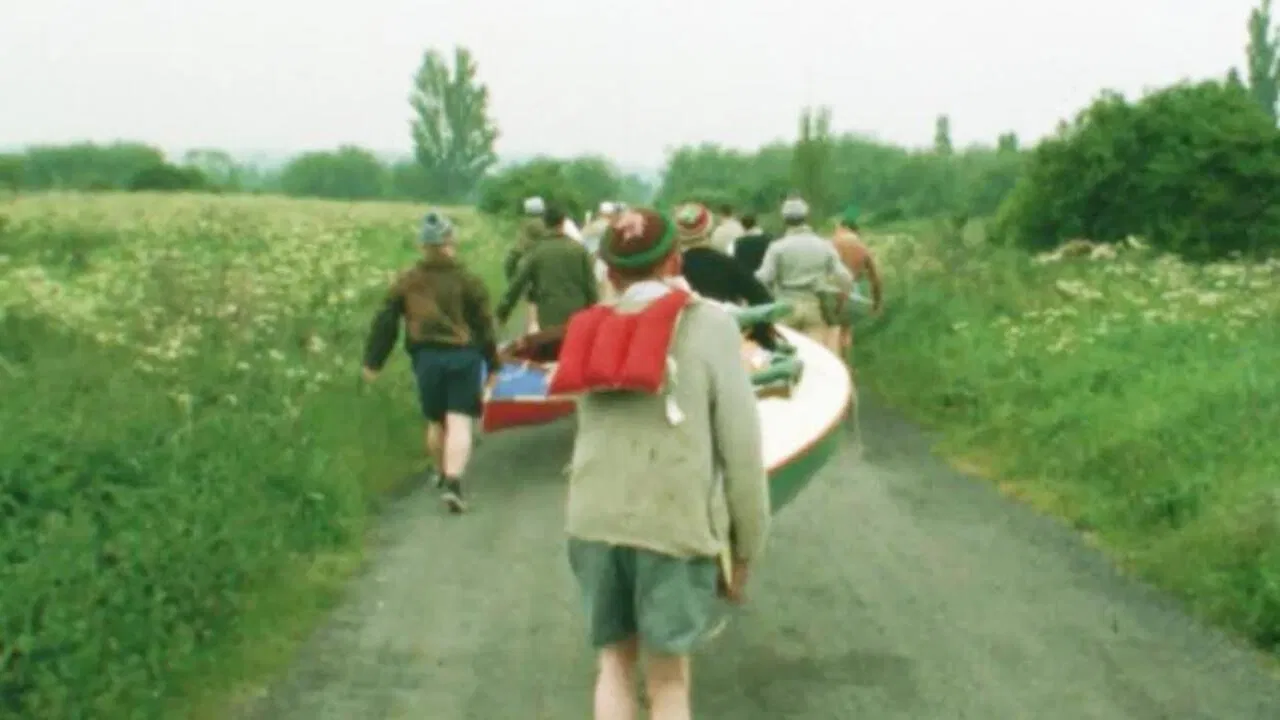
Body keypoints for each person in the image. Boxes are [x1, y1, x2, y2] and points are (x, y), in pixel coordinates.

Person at [552, 207, 770, 720]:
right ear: (675, 260)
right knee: (668, 678)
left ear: (607, 271)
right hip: (672, 523)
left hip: (593, 520)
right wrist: (746, 549)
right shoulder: (710, 325)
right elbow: (742, 449)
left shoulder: (589, 329)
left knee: (613, 663)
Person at [362, 211, 498, 514]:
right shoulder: (469, 281)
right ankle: (454, 482)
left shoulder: (408, 281)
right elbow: (485, 326)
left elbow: (385, 321)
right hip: (464, 357)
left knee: (436, 421)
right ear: (451, 243)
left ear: (422, 246)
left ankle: (440, 472)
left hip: (426, 358)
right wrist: (494, 364)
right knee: (460, 420)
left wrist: (373, 361)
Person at [495, 205, 599, 357]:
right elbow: (591, 287)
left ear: (545, 223)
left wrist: (502, 313)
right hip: (579, 321)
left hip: (549, 324)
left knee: (550, 360)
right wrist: (594, 317)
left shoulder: (537, 251)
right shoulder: (579, 250)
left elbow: (516, 285)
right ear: (563, 223)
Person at [755, 195, 853, 352]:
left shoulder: (777, 247)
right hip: (813, 306)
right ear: (806, 217)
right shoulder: (823, 245)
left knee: (786, 355)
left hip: (784, 307)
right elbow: (845, 277)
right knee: (814, 355)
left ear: (784, 219)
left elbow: (763, 278)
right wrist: (841, 298)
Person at [673, 202, 778, 349]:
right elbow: (763, 300)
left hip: (682, 346)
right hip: (725, 342)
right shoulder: (728, 264)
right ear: (710, 230)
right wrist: (757, 336)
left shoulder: (671, 269)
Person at [830, 206, 884, 357]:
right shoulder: (860, 245)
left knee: (833, 330)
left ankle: (834, 365)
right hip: (852, 288)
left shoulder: (831, 242)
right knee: (846, 330)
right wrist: (877, 302)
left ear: (842, 227)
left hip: (831, 288)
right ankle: (846, 362)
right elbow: (875, 277)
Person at [506, 196, 548, 333]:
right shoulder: (547, 225)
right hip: (545, 269)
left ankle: (532, 334)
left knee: (531, 304)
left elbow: (513, 255)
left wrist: (512, 279)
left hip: (529, 270)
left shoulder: (526, 227)